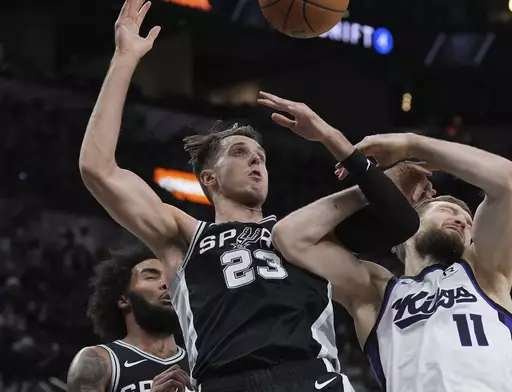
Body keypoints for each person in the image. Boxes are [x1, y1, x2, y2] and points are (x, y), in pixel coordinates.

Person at [79, 1, 424, 390]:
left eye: (260, 156)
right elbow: (98, 169)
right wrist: (125, 57)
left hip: (312, 378)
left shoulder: (302, 234)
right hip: (228, 381)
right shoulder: (185, 237)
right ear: (209, 178)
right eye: (240, 154)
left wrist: (359, 155)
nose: (256, 162)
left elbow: (400, 223)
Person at [271, 131, 512, 392]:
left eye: (468, 223)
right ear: (412, 222)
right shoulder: (376, 292)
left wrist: (412, 144)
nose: (462, 221)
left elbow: (508, 182)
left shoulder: (484, 273)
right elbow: (291, 238)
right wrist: (377, 188)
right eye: (447, 210)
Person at [67, 243, 191, 392]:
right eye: (151, 276)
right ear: (124, 299)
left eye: (171, 278)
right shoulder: (97, 361)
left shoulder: (201, 362)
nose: (167, 284)